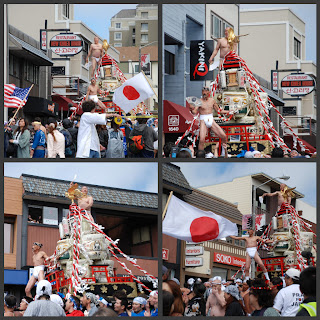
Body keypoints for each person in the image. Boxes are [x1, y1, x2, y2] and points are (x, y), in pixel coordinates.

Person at [194, 87, 228, 151]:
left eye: (206, 92)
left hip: (210, 118)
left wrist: (229, 112)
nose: (204, 93)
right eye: (203, 92)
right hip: (203, 119)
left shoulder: (212, 100)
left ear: (208, 93)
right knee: (201, 139)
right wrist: (192, 110)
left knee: (223, 136)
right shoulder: (199, 101)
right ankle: (200, 155)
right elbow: (195, 111)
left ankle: (225, 151)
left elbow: (219, 111)